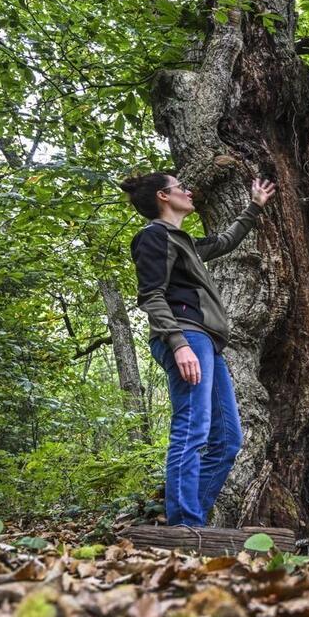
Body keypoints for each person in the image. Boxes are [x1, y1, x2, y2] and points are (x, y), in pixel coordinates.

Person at [119, 171, 276, 526]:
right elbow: (151, 295)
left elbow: (223, 242)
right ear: (163, 196)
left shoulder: (181, 241)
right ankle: (184, 526)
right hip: (187, 337)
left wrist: (253, 207)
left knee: (228, 440)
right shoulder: (154, 237)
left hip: (206, 342)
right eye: (181, 188)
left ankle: (194, 524)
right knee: (192, 428)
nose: (189, 192)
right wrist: (178, 345)